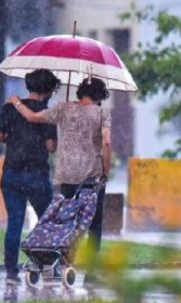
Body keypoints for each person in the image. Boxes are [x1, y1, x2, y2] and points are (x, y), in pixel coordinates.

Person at [8, 77, 112, 255]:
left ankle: (62, 261)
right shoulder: (102, 113)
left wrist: (16, 102)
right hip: (91, 176)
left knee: (65, 221)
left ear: (81, 92)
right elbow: (107, 142)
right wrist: (105, 170)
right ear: (100, 96)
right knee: (94, 224)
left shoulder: (63, 108)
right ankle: (92, 271)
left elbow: (32, 117)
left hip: (66, 174)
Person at [0, 69, 61, 285]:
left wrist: (16, 138)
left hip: (11, 172)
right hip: (37, 174)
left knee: (14, 223)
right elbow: (51, 147)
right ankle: (46, 266)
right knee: (46, 223)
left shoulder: (9, 107)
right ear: (48, 90)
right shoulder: (47, 113)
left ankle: (11, 274)